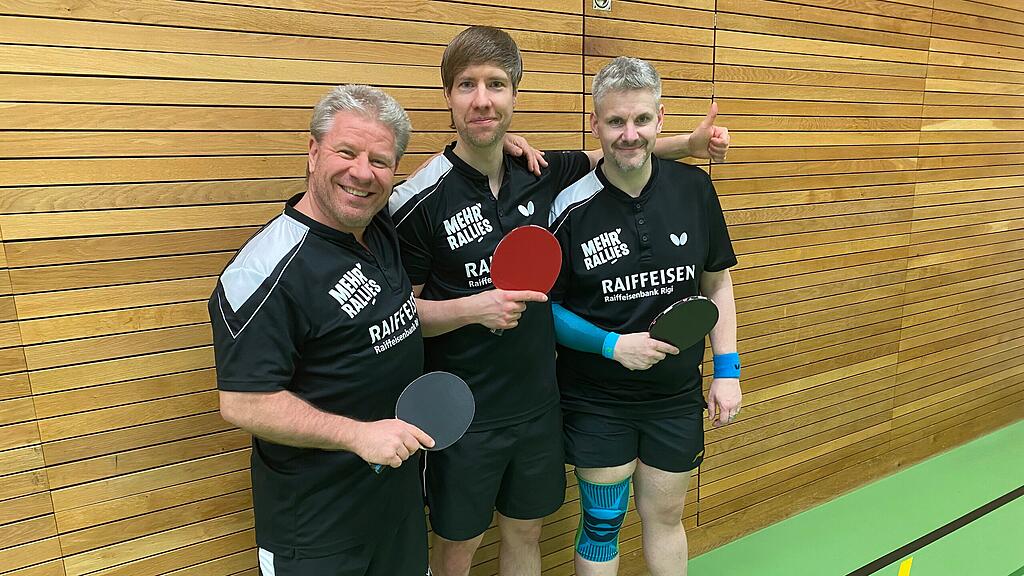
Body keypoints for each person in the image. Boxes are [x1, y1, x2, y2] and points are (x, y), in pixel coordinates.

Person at [388, 26, 730, 576]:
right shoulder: (416, 200)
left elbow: (618, 152)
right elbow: (399, 320)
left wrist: (688, 146)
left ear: (514, 95)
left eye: (496, 84)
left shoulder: (540, 172)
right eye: (468, 85)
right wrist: (473, 308)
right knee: (457, 549)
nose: (483, 99)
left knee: (526, 533)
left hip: (539, 403)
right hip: (463, 411)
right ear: (447, 94)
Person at [208, 84, 433, 576]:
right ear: (313, 152)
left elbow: (444, 174)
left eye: (380, 161)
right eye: (346, 152)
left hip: (396, 507)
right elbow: (243, 402)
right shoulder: (262, 274)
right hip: (316, 529)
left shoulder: (378, 226)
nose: (362, 173)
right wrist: (357, 435)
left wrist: (500, 141)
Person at [547, 56, 742, 575]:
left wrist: (727, 371)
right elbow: (548, 309)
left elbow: (717, 283)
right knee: (602, 524)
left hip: (675, 398)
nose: (629, 134)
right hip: (598, 400)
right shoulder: (568, 206)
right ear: (595, 124)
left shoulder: (694, 189)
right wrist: (613, 345)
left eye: (640, 120)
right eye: (615, 121)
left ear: (660, 119)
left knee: (667, 516)